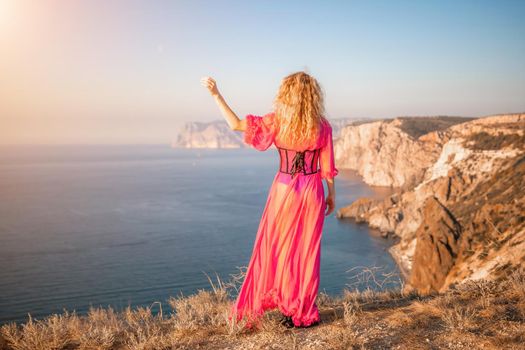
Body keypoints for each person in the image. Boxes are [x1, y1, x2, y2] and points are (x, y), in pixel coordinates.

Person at [200, 71, 338, 329]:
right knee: (306, 253)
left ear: (286, 95)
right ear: (313, 97)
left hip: (284, 191)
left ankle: (285, 305)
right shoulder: (323, 126)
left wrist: (216, 95)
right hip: (311, 191)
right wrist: (332, 195)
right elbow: (327, 167)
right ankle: (301, 312)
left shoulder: (277, 122)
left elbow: (236, 124)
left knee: (278, 249)